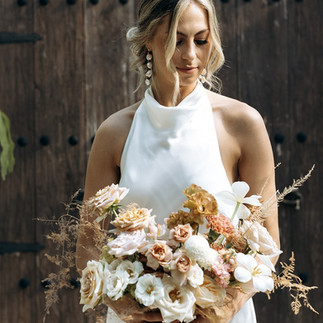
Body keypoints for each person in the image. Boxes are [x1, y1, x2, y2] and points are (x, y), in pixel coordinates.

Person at [76, 0, 280, 322]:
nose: (190, 55)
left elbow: (268, 244)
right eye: (176, 41)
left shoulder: (242, 124)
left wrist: (220, 310)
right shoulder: (114, 133)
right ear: (148, 41)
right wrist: (131, 309)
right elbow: (87, 247)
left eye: (201, 40)